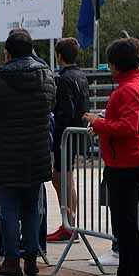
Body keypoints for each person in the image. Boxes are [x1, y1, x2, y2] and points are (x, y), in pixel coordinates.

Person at [0, 29, 56, 276]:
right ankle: (31, 258)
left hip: (4, 154)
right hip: (36, 152)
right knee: (31, 207)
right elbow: (51, 105)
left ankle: (11, 260)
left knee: (8, 209)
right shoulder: (47, 77)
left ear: (7, 53)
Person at [83, 37, 139, 276]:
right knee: (123, 226)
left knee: (127, 227)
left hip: (125, 162)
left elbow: (127, 128)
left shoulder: (127, 90)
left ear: (115, 64)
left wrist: (98, 123)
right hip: (128, 161)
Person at [47, 38, 91, 243]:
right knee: (66, 177)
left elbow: (65, 109)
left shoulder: (63, 78)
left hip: (65, 134)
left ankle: (69, 224)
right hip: (77, 131)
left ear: (59, 56)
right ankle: (70, 222)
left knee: (60, 178)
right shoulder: (81, 75)